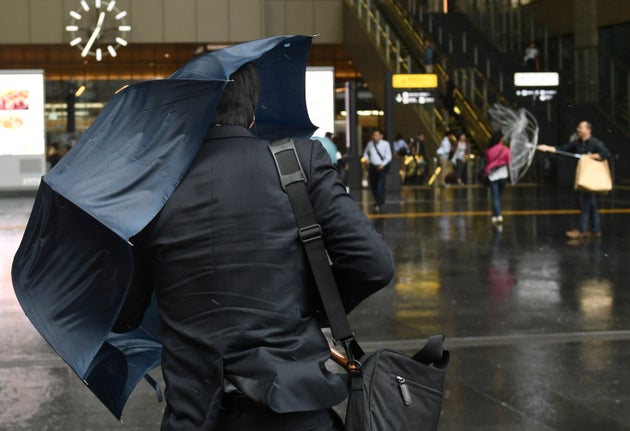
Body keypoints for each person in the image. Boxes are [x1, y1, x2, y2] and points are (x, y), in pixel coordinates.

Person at [115, 63, 395, 430]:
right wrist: (311, 306)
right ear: (251, 111)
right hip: (297, 410)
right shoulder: (297, 163)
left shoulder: (154, 191)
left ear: (189, 112)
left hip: (198, 416)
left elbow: (125, 314)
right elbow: (374, 264)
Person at [538, 121, 611, 238]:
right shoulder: (577, 143)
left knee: (585, 203)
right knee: (590, 203)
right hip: (584, 175)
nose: (578, 130)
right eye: (578, 127)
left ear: (588, 130)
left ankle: (581, 230)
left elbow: (606, 154)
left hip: (591, 177)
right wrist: (547, 148)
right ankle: (596, 229)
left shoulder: (595, 143)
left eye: (581, 128)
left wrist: (590, 156)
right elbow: (563, 149)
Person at [484, 131, 511, 224]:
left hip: (493, 175)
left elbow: (488, 161)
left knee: (495, 196)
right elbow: (508, 161)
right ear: (500, 139)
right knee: (498, 195)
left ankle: (497, 214)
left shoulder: (489, 150)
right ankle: (497, 214)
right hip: (503, 175)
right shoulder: (506, 149)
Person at [362, 128, 392, 213]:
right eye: (374, 135)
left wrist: (383, 164)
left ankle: (378, 203)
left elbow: (388, 156)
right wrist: (367, 159)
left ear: (381, 136)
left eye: (376, 135)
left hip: (381, 168)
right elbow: (365, 153)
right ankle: (380, 200)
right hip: (372, 167)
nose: (374, 137)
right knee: (373, 185)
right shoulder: (370, 144)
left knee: (380, 186)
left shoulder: (386, 144)